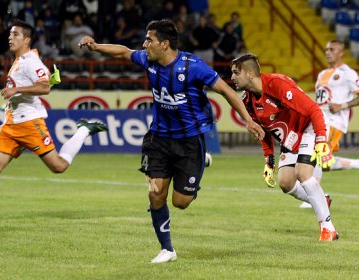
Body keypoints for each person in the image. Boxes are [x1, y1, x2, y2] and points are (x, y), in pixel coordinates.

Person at [78, 19, 265, 263]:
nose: (144, 44)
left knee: (181, 202)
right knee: (156, 193)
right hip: (159, 138)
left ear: (165, 44)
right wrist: (96, 47)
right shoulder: (148, 60)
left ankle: (199, 163)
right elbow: (124, 52)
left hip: (189, 142)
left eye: (149, 40)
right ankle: (167, 249)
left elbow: (226, 91)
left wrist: (248, 120)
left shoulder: (193, 66)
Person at [0, 19, 108, 207]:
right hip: (12, 122)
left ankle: (84, 130)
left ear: (27, 40)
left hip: (29, 123)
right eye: (10, 34)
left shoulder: (31, 61)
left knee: (58, 166)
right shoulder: (19, 61)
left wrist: (16, 90)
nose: (10, 37)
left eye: (15, 34)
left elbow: (45, 87)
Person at [230, 53, 339, 241]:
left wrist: (321, 140)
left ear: (249, 74)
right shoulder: (247, 101)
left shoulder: (277, 85)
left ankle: (328, 228)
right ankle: (322, 199)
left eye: (235, 72)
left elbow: (313, 110)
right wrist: (269, 161)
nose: (232, 78)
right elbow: (262, 132)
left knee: (303, 173)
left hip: (309, 127)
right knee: (286, 183)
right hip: (291, 138)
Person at [299, 40, 359, 208]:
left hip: (334, 122)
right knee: (323, 162)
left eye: (332, 49)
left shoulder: (348, 73)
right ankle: (355, 163)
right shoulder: (322, 74)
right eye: (326, 49)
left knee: (318, 156)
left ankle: (316, 198)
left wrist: (343, 105)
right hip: (319, 120)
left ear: (341, 53)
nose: (327, 52)